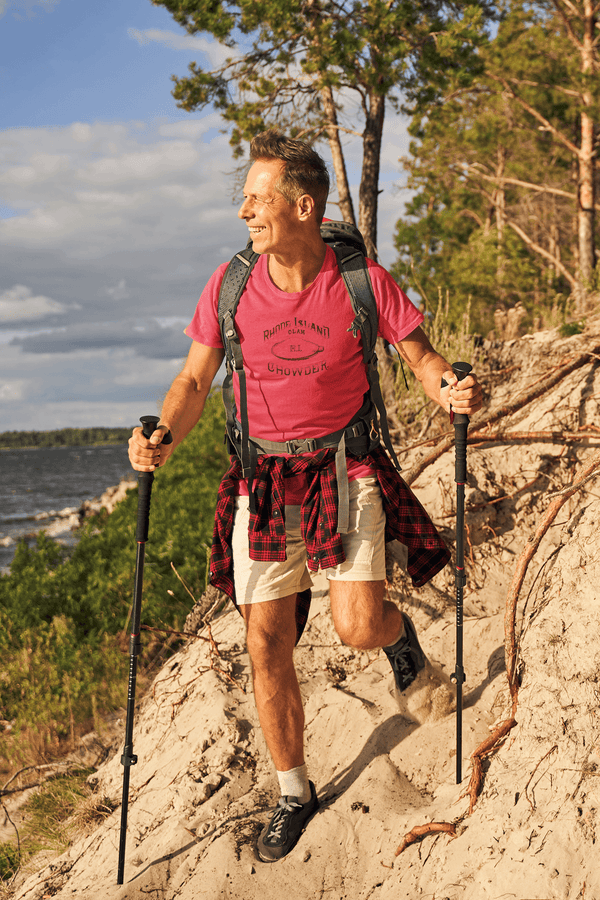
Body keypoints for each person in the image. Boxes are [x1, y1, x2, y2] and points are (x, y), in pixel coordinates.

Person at [128, 130, 483, 864]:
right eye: (245, 199)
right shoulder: (230, 285)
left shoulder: (361, 280)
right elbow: (193, 381)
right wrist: (162, 435)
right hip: (262, 480)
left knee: (357, 626)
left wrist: (450, 387)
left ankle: (400, 643)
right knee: (266, 641)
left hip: (346, 469)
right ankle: (294, 791)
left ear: (302, 206)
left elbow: (421, 357)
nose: (244, 213)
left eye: (257, 200)